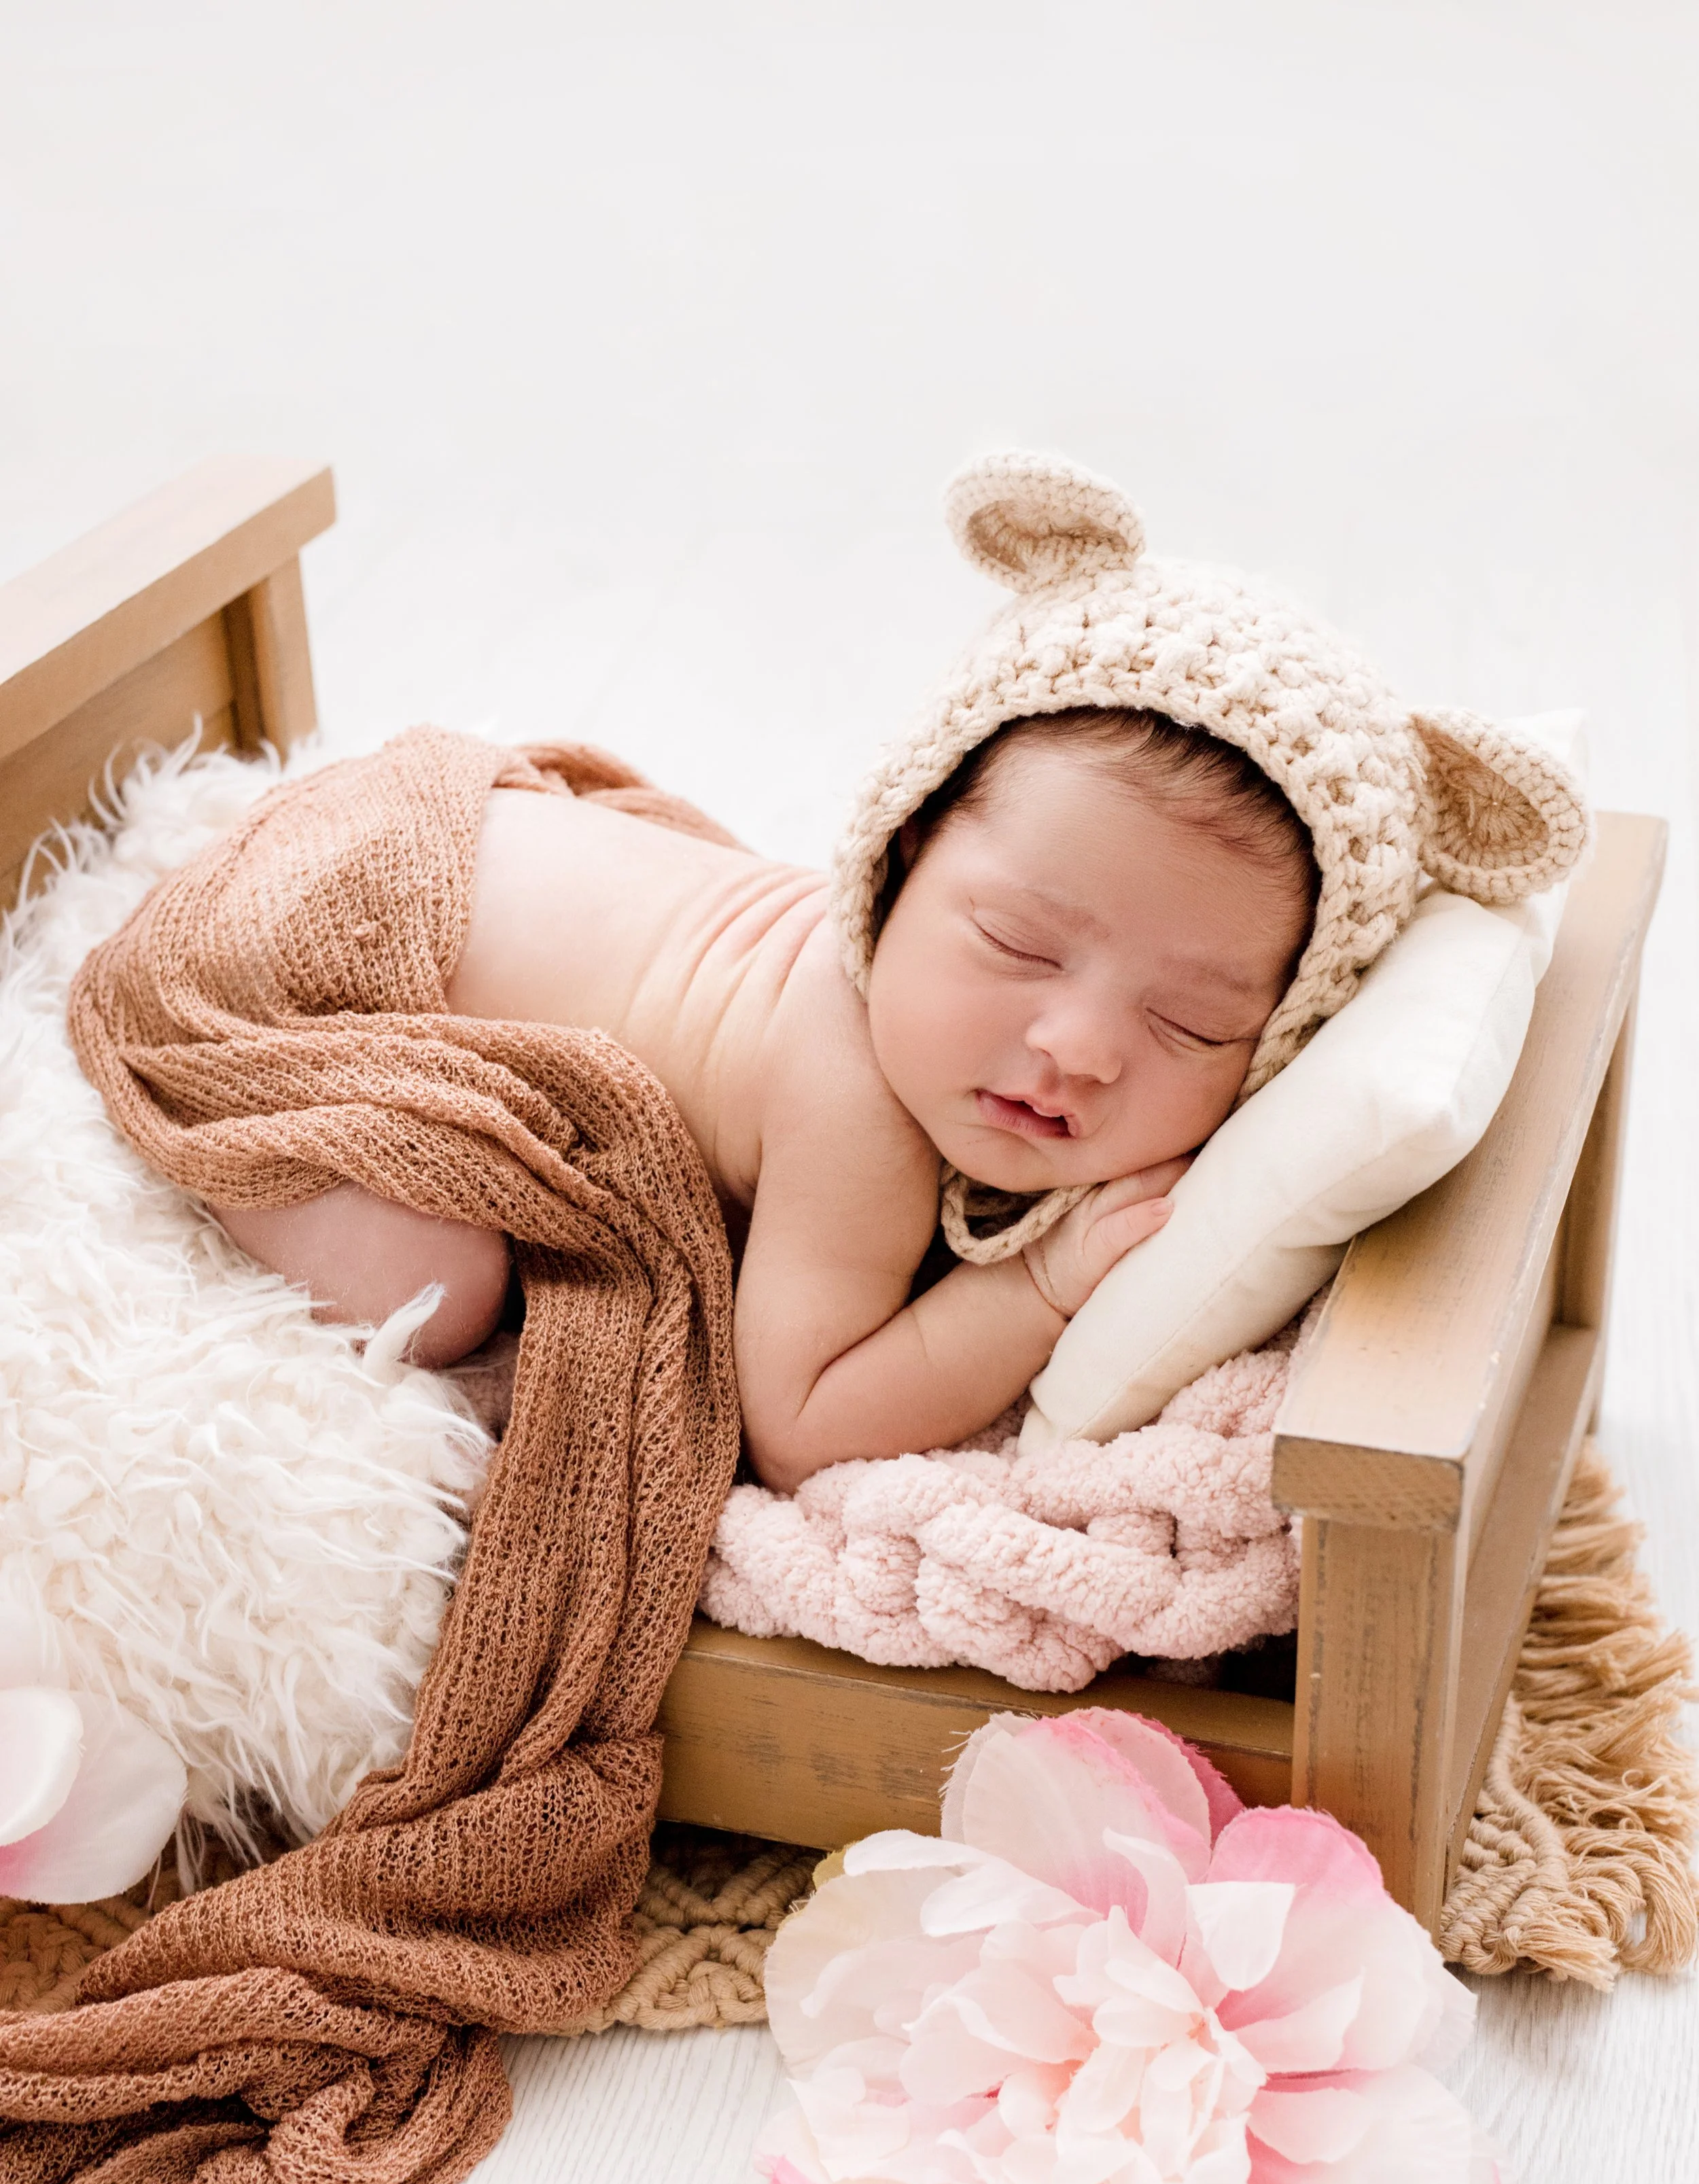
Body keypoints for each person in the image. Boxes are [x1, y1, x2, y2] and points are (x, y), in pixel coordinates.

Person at [206, 453, 1583, 1489]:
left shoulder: (981, 1032)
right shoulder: (857, 1098)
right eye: (1018, 947)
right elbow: (796, 1427)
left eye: (1192, 1022)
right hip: (329, 928)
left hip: (486, 856)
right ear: (897, 859)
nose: (1080, 1046)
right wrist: (1029, 1298)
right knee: (434, 1287)